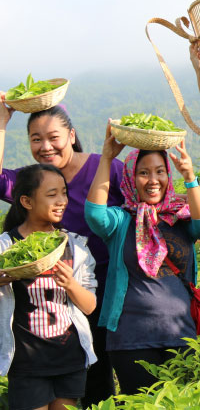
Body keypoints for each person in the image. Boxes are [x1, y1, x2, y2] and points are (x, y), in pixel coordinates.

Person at [0, 100, 121, 404]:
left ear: (71, 134)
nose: (45, 146)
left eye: (53, 137)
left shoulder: (103, 167)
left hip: (100, 289)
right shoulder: (32, 179)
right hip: (49, 300)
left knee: (96, 378)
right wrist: (2, 123)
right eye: (36, 139)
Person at [84, 125, 200, 395]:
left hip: (182, 334)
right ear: (131, 178)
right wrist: (106, 158)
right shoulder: (121, 221)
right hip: (132, 340)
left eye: (160, 171)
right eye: (143, 173)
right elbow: (95, 215)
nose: (153, 180)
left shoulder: (180, 215)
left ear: (169, 174)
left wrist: (189, 176)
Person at [0, 164, 97, 410]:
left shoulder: (74, 246)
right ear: (27, 201)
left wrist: (71, 284)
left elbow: (89, 306)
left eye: (64, 193)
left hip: (69, 359)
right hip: (26, 363)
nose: (62, 200)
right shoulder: (6, 247)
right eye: (52, 194)